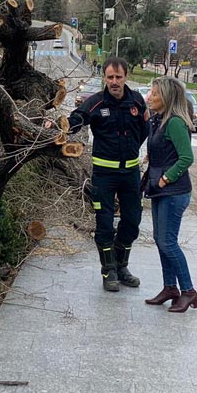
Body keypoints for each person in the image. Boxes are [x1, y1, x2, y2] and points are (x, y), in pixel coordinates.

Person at [64, 56, 148, 292]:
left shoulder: (137, 102)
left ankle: (122, 267)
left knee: (132, 222)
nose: (114, 81)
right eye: (109, 77)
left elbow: (144, 131)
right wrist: (60, 127)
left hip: (130, 174)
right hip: (104, 175)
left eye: (118, 77)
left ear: (125, 77)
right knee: (104, 225)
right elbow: (76, 119)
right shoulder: (96, 102)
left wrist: (130, 151)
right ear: (104, 78)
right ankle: (108, 270)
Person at [142, 76, 197, 312]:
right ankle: (170, 288)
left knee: (168, 242)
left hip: (173, 191)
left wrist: (166, 178)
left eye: (154, 94)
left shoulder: (174, 122)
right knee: (160, 240)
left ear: (166, 97)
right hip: (161, 189)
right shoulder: (160, 120)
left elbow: (187, 157)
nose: (149, 97)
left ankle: (188, 291)